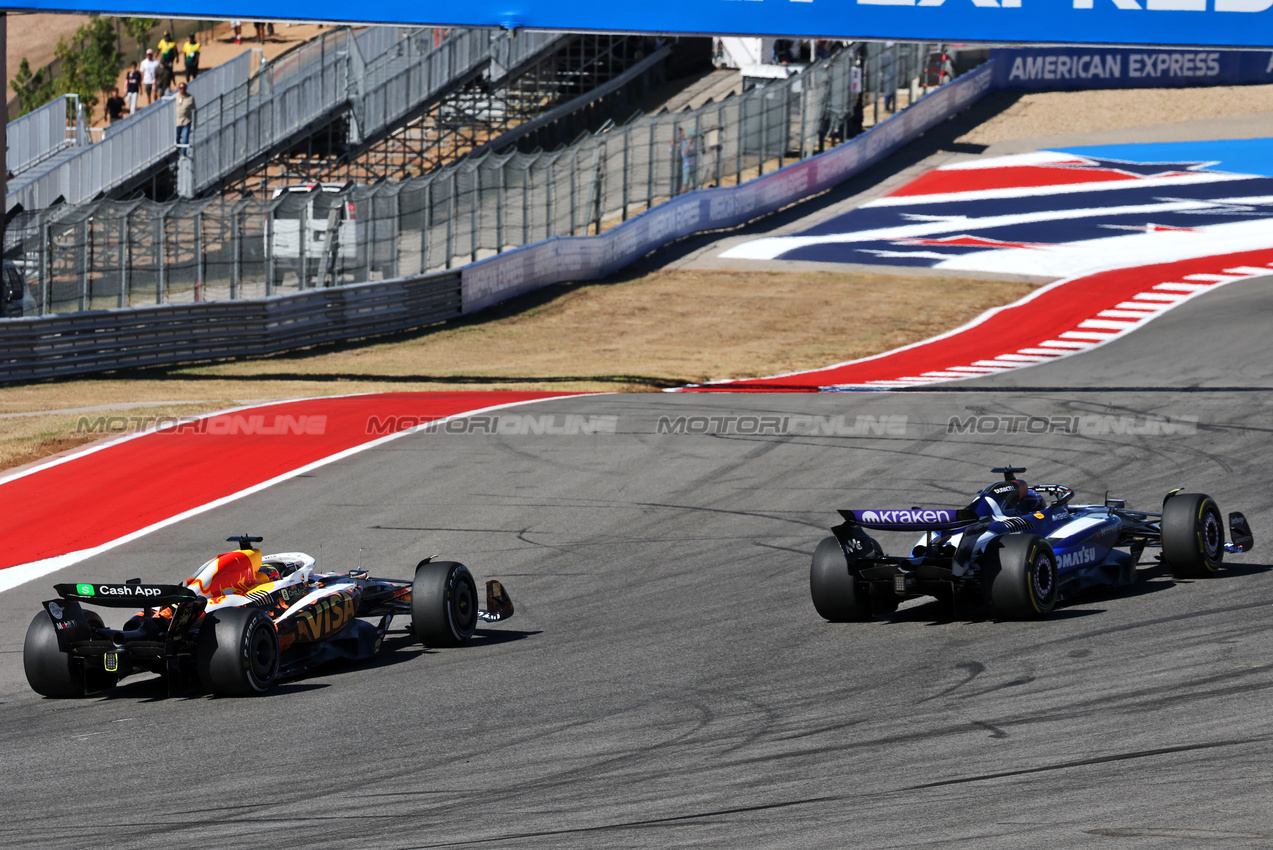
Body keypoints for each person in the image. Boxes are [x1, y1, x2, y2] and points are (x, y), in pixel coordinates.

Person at [174, 82, 195, 156]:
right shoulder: (175, 97)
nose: (182, 89)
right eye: (180, 88)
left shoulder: (190, 98)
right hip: (177, 122)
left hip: (186, 121)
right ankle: (176, 152)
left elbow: (194, 109)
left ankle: (183, 154)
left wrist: (195, 122)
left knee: (185, 138)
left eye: (183, 88)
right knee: (176, 138)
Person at [680, 129, 697, 193]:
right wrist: (689, 143)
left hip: (693, 166)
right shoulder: (685, 142)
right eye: (691, 137)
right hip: (686, 166)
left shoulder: (695, 144)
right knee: (685, 184)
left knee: (695, 183)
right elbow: (685, 152)